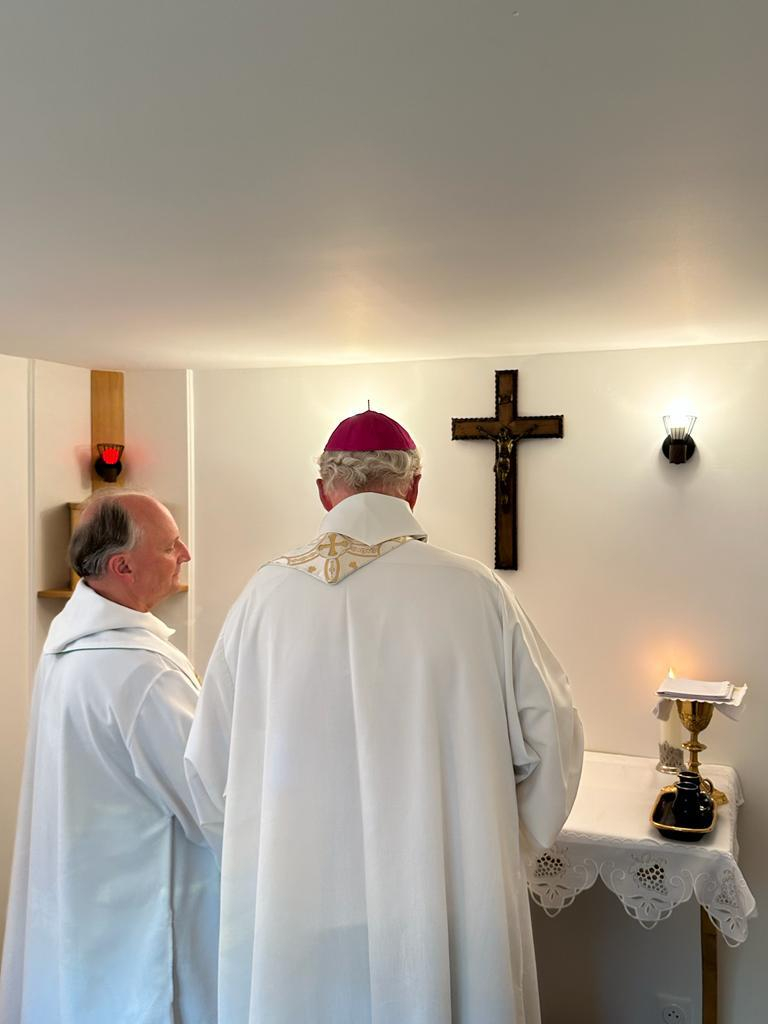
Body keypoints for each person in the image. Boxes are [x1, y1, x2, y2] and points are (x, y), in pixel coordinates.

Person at [185, 409, 583, 1024]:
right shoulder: (474, 591)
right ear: (414, 487)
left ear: (324, 491)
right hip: (441, 896)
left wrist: (264, 860)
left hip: (298, 904)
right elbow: (551, 737)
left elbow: (208, 767)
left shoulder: (262, 597)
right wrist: (489, 849)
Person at [0, 491, 219, 1024]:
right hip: (143, 923)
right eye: (169, 546)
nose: (186, 554)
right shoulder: (143, 671)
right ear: (123, 566)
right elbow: (211, 803)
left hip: (87, 909)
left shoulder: (68, 648)